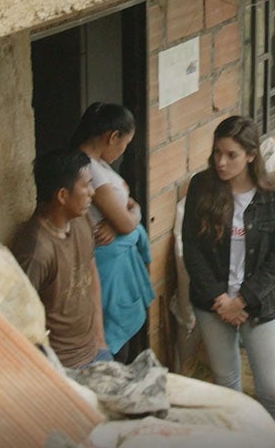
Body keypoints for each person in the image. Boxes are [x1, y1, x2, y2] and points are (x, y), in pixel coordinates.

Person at [182, 115, 275, 424]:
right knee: (227, 382)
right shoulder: (201, 187)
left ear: (251, 155)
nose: (221, 162)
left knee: (271, 390)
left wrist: (241, 300)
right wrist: (220, 299)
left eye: (231, 155)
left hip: (257, 303)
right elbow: (191, 249)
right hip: (211, 301)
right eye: (217, 152)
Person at [11, 149, 112, 368]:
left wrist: (100, 339)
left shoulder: (81, 220)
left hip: (95, 350)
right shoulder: (36, 250)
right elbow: (21, 316)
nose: (92, 192)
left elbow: (90, 270)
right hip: (63, 365)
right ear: (62, 195)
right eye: (86, 186)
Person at [71, 101, 154, 363]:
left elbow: (129, 209)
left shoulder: (99, 164)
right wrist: (128, 214)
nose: (122, 151)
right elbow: (127, 222)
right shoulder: (90, 171)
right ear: (112, 136)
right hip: (107, 265)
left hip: (113, 259)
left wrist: (132, 210)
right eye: (124, 144)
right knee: (112, 339)